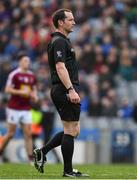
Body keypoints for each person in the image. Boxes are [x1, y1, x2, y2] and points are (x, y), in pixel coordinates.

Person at [33, 9, 89, 177]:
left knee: (73, 130)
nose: (74, 22)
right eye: (70, 20)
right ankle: (67, 171)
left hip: (64, 88)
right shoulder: (59, 41)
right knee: (70, 130)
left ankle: (42, 151)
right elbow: (59, 67)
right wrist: (70, 89)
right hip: (64, 88)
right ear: (60, 22)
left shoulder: (63, 41)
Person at [0, 52, 38, 164]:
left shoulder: (31, 75)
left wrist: (34, 95)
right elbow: (7, 89)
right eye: (25, 61)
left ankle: (30, 159)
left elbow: (34, 88)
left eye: (28, 61)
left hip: (26, 108)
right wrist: (20, 91)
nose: (27, 63)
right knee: (11, 134)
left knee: (28, 133)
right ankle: (1, 150)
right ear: (20, 62)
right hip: (14, 108)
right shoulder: (14, 75)